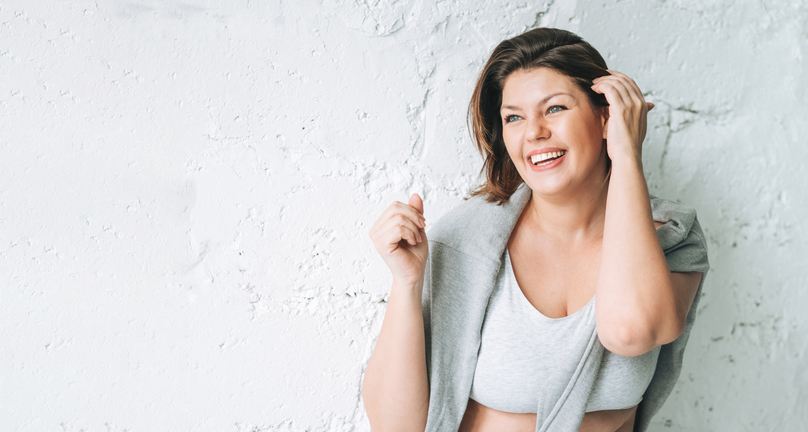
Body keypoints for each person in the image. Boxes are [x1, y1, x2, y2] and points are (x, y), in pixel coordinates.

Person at [362, 27, 710, 432]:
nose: (534, 132)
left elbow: (631, 332)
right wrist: (407, 283)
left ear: (606, 117)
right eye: (514, 117)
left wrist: (628, 156)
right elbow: (394, 425)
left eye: (555, 108)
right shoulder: (467, 240)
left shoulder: (671, 237)